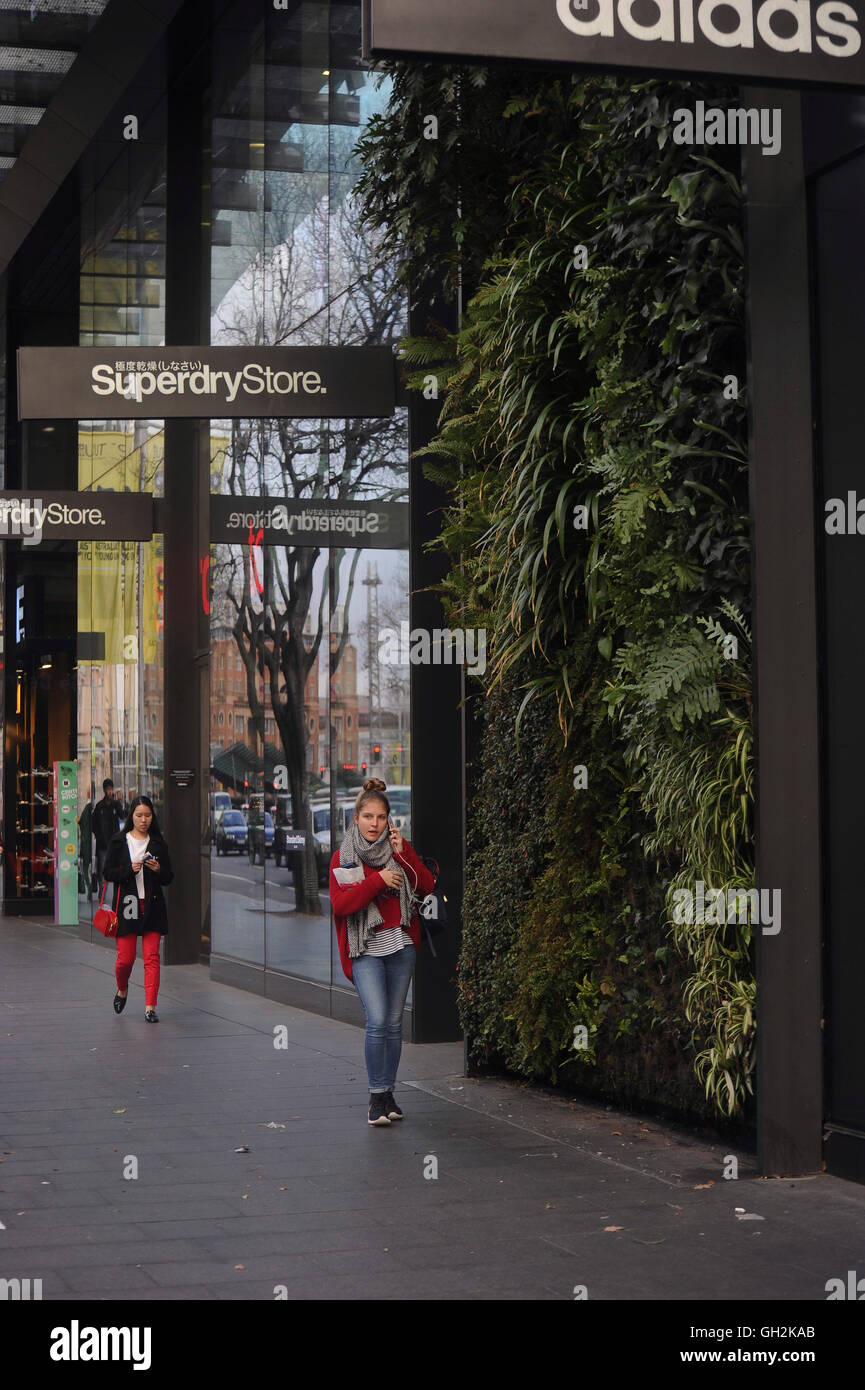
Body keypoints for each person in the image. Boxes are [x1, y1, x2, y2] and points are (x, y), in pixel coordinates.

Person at [330, 777, 434, 1126]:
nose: (374, 824)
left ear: (389, 820)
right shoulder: (343, 857)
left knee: (393, 1023)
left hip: (400, 947)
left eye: (381, 817)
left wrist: (405, 854)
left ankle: (389, 1093)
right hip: (365, 951)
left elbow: (426, 885)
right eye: (368, 817)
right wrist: (376, 882)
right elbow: (342, 904)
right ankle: (376, 1097)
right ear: (356, 818)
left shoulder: (398, 848)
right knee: (376, 1021)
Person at [102, 795, 174, 1023]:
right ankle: (122, 989)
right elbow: (108, 873)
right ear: (131, 816)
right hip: (127, 905)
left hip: (152, 904)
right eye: (139, 815)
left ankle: (150, 1007)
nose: (144, 820)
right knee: (126, 958)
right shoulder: (118, 841)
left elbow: (168, 877)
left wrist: (158, 868)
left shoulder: (158, 843)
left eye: (148, 815)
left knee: (151, 957)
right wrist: (128, 870)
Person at [92, 779, 121, 894]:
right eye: (107, 789)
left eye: (111, 789)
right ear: (104, 790)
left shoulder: (115, 805)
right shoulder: (100, 806)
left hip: (114, 844)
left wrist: (118, 802)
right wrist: (99, 836)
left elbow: (123, 815)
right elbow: (94, 824)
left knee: (116, 870)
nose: (109, 791)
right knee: (102, 870)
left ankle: (116, 896)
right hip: (103, 845)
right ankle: (102, 893)